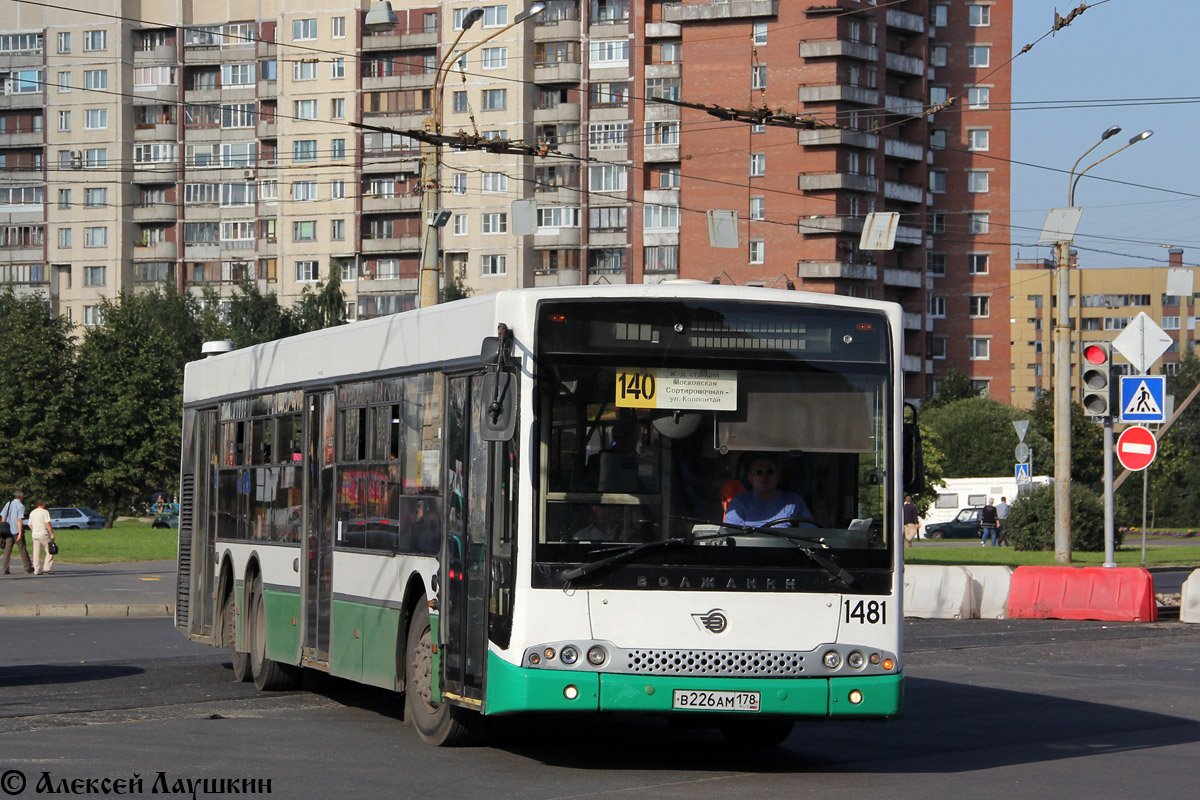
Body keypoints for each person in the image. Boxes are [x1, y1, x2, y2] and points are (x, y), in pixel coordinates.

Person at [723, 454, 816, 528]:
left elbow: (810, 533)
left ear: (778, 476)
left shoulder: (794, 501)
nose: (764, 476)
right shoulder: (739, 502)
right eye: (758, 472)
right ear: (750, 478)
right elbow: (732, 537)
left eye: (769, 472)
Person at [1, 490, 34, 575]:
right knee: (22, 548)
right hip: (16, 530)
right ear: (21, 497)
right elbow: (19, 520)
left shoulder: (8, 504)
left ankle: (5, 569)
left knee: (7, 550)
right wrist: (20, 532)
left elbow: (3, 517)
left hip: (8, 530)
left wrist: (4, 527)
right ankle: (27, 568)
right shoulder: (20, 506)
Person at [28, 498, 55, 575]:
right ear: (43, 504)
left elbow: (29, 524)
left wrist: (34, 530)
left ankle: (36, 570)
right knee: (49, 550)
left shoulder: (32, 512)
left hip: (35, 534)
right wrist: (52, 533)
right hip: (43, 533)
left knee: (36, 552)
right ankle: (47, 568)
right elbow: (48, 524)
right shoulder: (45, 512)